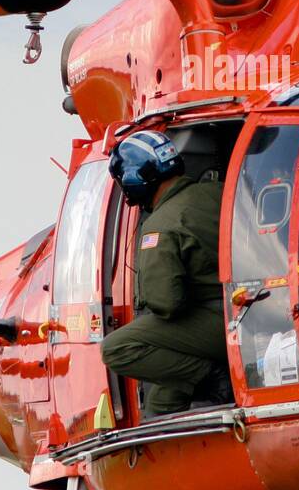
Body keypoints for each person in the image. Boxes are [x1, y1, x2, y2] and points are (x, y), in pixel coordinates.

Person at [99, 130, 232, 418]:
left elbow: (166, 303)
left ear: (136, 180)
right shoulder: (219, 191)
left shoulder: (160, 225)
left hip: (221, 323)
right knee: (164, 395)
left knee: (116, 348)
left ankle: (214, 377)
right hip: (254, 311)